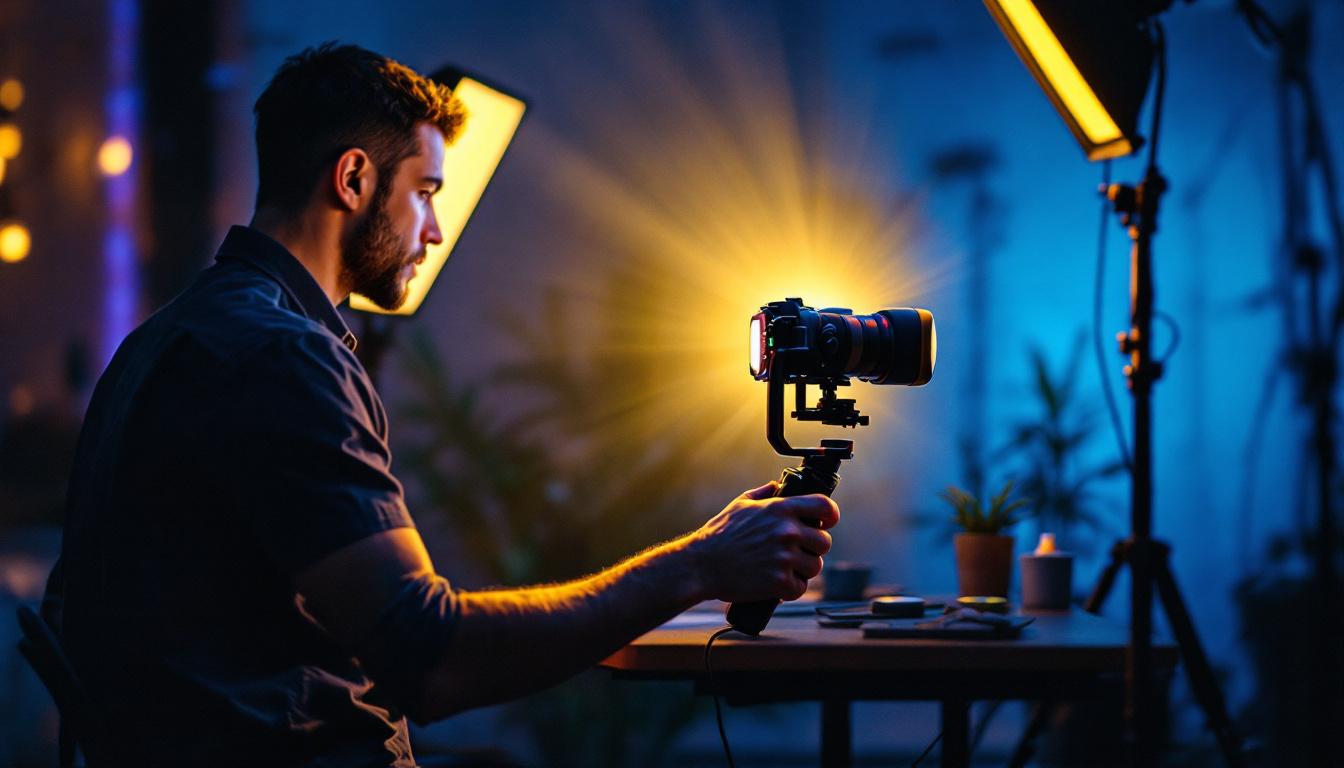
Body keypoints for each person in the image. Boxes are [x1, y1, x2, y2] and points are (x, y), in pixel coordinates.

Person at [44, 43, 838, 767]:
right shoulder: (284, 356)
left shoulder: (166, 337)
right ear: (353, 179)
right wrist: (698, 563)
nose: (433, 231)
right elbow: (430, 658)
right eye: (425, 192)